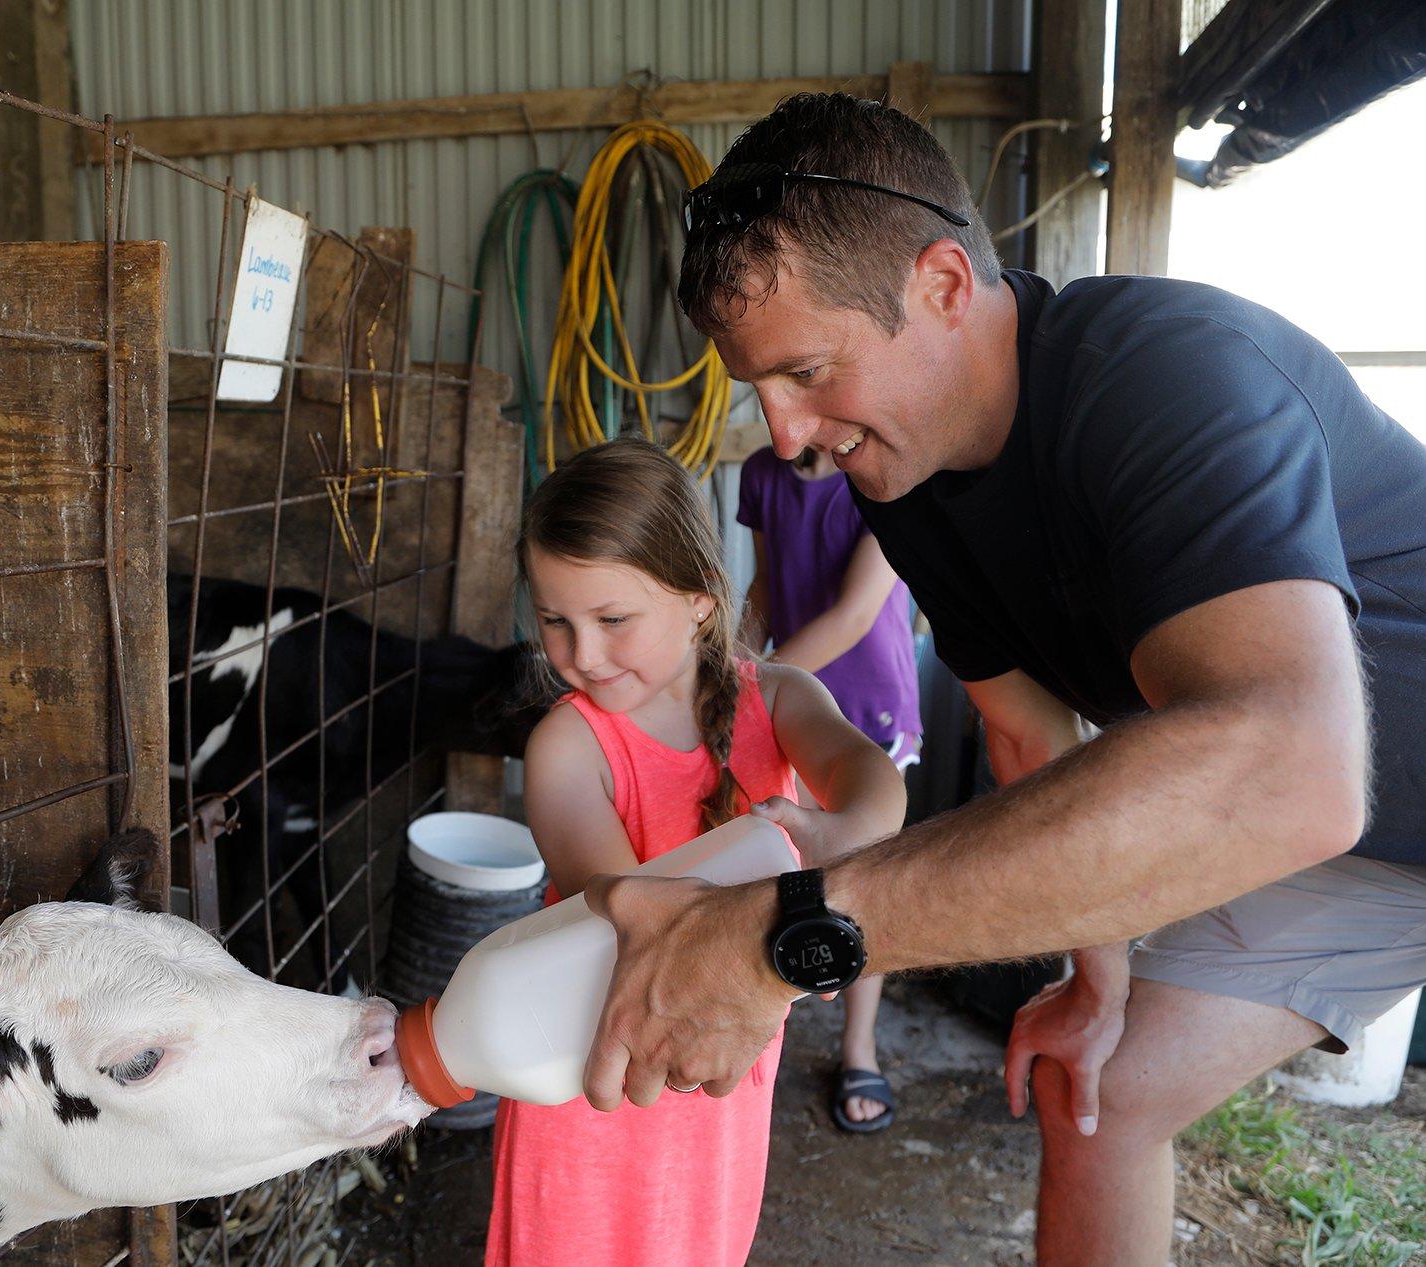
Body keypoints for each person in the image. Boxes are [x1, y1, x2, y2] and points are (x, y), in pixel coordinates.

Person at [572, 92, 1426, 1267]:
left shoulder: (1168, 378)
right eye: (758, 388)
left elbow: (1288, 766)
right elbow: (1029, 742)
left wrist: (786, 935)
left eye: (808, 370)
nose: (782, 436)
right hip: (1351, 837)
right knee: (1098, 1089)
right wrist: (1094, 977)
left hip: (1324, 787)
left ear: (940, 284)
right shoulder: (904, 485)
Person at [486, 438, 906, 1267]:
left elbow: (869, 772)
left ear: (701, 600)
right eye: (554, 621)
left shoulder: (778, 695)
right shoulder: (568, 746)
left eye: (612, 620)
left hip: (719, 1085)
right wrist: (800, 914)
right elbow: (647, 915)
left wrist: (854, 830)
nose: (582, 654)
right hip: (593, 1081)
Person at [737, 440, 922, 1131]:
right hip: (788, 707)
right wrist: (736, 658)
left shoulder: (879, 475)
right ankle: (765, 1025)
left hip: (865, 707)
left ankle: (858, 1043)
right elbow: (763, 585)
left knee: (860, 878)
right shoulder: (761, 474)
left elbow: (853, 614)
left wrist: (750, 683)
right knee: (788, 864)